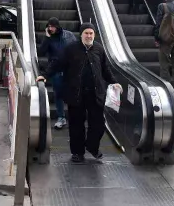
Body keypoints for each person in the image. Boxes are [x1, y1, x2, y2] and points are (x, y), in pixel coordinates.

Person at [36, 23, 121, 163]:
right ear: (81, 35)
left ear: (94, 35)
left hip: (95, 94)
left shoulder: (99, 49)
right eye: (86, 33)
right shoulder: (71, 49)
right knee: (76, 125)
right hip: (76, 93)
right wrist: (45, 75)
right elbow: (57, 63)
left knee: (99, 123)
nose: (89, 36)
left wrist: (113, 81)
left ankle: (92, 147)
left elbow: (105, 69)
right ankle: (77, 152)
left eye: (91, 33)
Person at [37, 17, 78, 130]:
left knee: (72, 94)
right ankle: (61, 117)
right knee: (58, 94)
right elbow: (41, 52)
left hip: (69, 69)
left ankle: (74, 118)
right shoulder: (49, 39)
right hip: (55, 70)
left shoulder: (68, 35)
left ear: (58, 26)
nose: (51, 28)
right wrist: (47, 38)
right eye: (49, 26)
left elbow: (75, 48)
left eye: (53, 26)